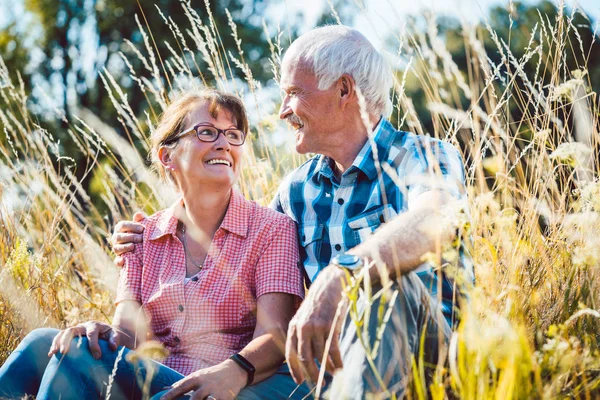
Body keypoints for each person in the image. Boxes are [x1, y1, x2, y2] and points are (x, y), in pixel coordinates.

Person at [113, 26, 474, 398]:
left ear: (344, 90)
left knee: (386, 293)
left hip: (430, 363)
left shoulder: (421, 155)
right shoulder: (297, 190)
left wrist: (343, 275)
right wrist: (157, 235)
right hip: (324, 374)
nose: (283, 111)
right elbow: (247, 268)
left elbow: (438, 218)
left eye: (293, 94)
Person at [0, 90, 306, 400]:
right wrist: (99, 333)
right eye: (207, 132)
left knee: (74, 353)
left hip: (209, 386)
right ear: (167, 156)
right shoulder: (142, 235)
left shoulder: (272, 229)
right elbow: (127, 337)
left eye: (233, 134)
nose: (224, 143)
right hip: (146, 380)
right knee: (44, 343)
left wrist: (233, 369)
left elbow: (275, 335)